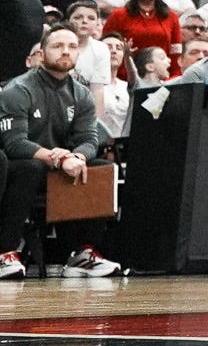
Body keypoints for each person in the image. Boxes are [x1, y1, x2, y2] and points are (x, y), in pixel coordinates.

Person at [0, 27, 119, 277]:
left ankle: (82, 253)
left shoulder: (82, 94)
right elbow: (14, 143)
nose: (66, 51)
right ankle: (5, 251)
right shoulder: (18, 89)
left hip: (58, 168)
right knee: (28, 167)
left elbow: (89, 138)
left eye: (72, 46)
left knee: (99, 167)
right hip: (20, 166)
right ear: (41, 55)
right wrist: (61, 157)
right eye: (58, 46)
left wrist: (78, 156)